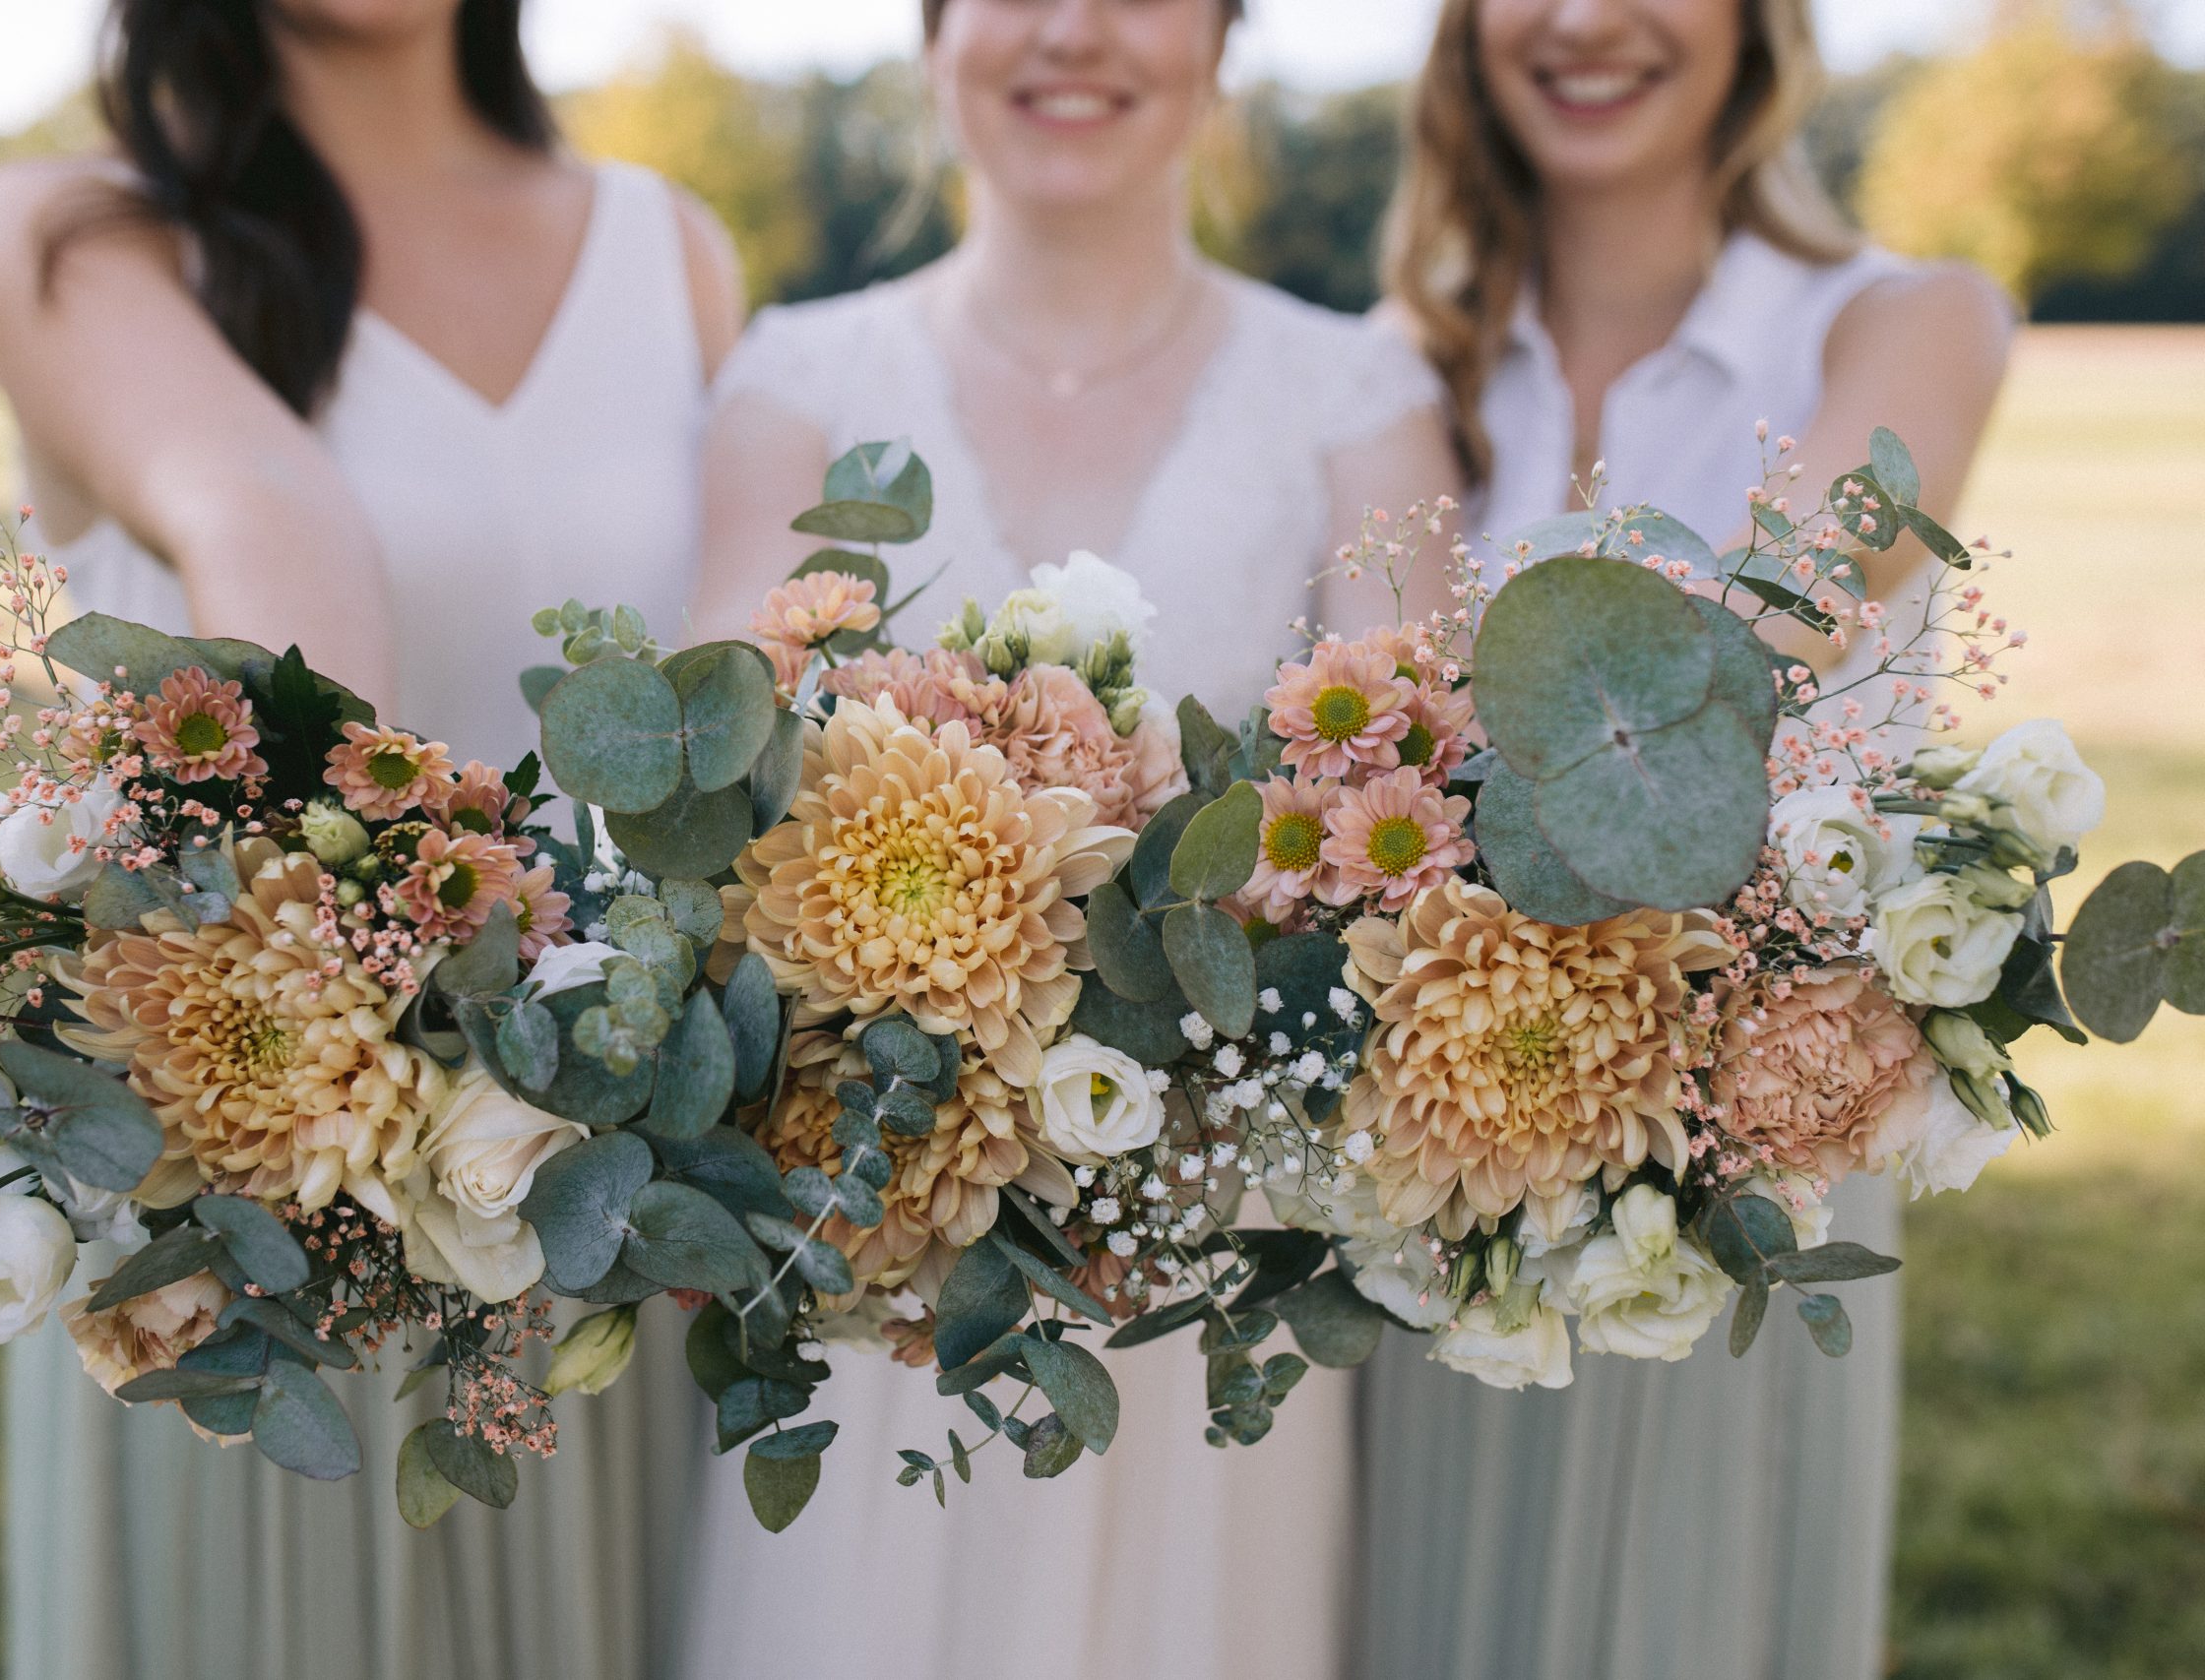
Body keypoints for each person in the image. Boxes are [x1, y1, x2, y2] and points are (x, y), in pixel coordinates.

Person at [0, 3, 744, 1676]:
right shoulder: (76, 232)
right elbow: (265, 519)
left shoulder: (668, 250)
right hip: (247, 1214)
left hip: (605, 1201)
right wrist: (351, 971)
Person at [677, 3, 1458, 1678]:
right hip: (873, 1211)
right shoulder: (798, 377)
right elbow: (706, 789)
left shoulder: (1354, 390)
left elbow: (1413, 801)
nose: (1072, 33)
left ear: (1225, 40)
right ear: (934, 36)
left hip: (1212, 1248)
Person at [1359, 2, 2013, 1675]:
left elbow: (1754, 635)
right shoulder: (1392, 371)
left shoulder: (1907, 326)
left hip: (1745, 1209)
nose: (1584, 19)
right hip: (1452, 1188)